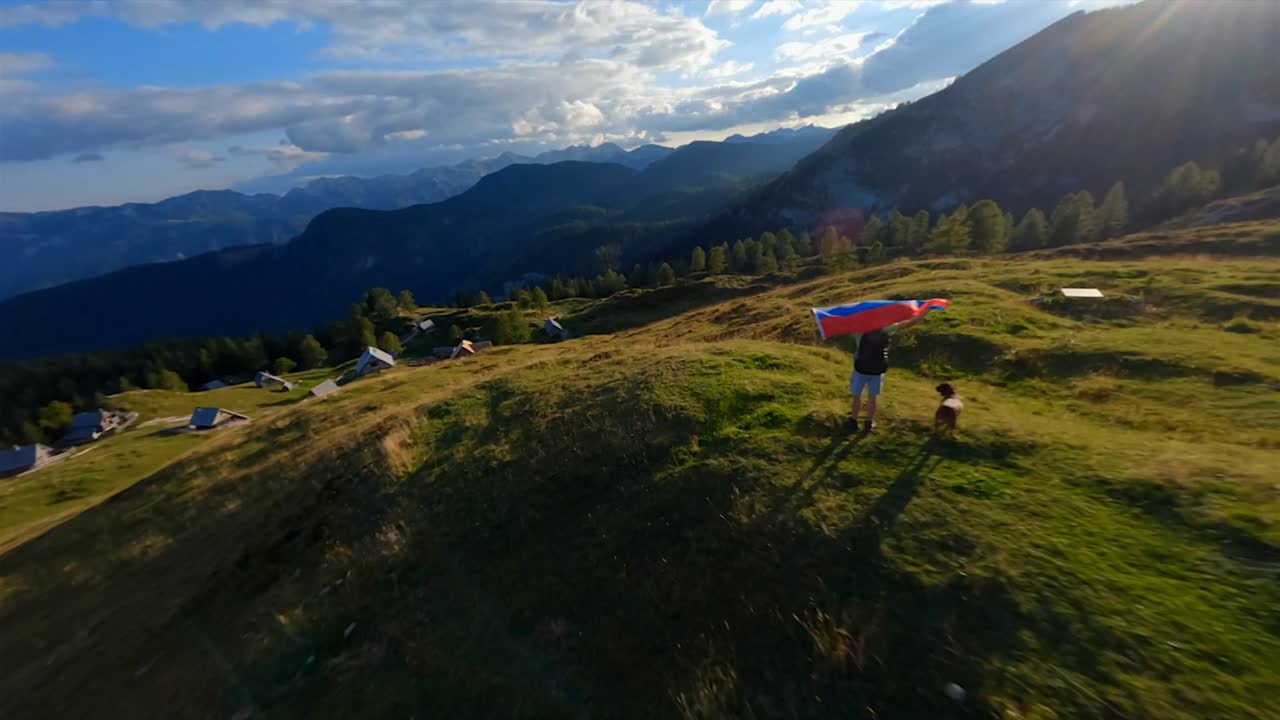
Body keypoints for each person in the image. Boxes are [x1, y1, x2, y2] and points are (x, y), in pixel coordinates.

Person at [849, 313, 926, 432]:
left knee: (857, 396)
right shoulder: (886, 329)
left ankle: (853, 421)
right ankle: (869, 423)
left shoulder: (858, 331)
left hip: (861, 369)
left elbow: (837, 322)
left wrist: (816, 315)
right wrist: (927, 310)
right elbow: (910, 322)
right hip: (877, 369)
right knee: (872, 398)